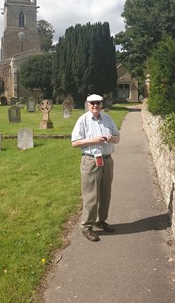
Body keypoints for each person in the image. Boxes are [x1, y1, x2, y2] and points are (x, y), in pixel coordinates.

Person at [71, 94, 120, 242]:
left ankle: (101, 221)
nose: (95, 106)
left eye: (98, 103)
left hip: (107, 160)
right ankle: (87, 226)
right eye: (92, 103)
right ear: (88, 104)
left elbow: (118, 137)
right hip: (91, 161)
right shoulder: (83, 120)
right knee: (91, 196)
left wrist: (113, 138)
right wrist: (94, 140)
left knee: (106, 194)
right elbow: (74, 142)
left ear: (101, 104)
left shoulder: (107, 119)